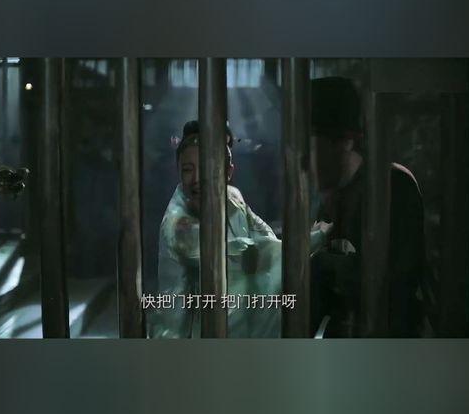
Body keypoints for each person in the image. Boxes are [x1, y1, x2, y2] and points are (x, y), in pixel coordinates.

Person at [151, 120, 332, 339]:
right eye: (188, 170)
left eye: (207, 168)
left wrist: (307, 239)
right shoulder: (177, 222)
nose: (197, 179)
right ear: (179, 171)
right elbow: (241, 253)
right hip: (193, 329)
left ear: (228, 172)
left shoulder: (233, 197)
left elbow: (266, 237)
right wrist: (315, 238)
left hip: (243, 318)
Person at [309, 77, 426, 337]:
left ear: (345, 141)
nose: (301, 161)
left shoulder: (393, 186)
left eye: (310, 145)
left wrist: (326, 264)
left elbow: (397, 285)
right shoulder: (330, 199)